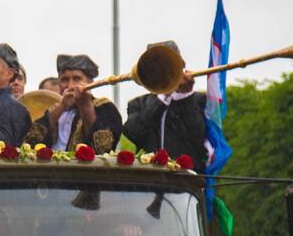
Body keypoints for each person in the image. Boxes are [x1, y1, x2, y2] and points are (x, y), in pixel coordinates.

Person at [122, 41, 208, 171]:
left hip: (184, 181)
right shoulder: (137, 103)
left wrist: (185, 97)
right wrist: (162, 98)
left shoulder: (198, 100)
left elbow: (198, 137)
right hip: (148, 178)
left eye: (168, 67)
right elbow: (133, 134)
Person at [24, 54, 122, 153]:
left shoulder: (105, 107)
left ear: (90, 82)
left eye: (77, 79)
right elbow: (31, 140)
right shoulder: (54, 108)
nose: (70, 85)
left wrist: (85, 106)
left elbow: (102, 146)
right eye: (64, 80)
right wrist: (62, 106)